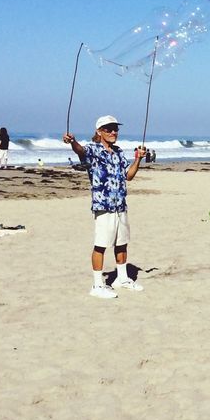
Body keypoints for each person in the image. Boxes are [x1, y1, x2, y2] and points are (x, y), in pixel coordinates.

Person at [64, 115, 144, 299]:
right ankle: (98, 285)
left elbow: (128, 176)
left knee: (122, 243)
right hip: (103, 205)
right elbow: (80, 151)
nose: (113, 132)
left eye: (115, 129)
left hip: (120, 205)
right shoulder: (93, 150)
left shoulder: (118, 152)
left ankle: (122, 279)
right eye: (108, 129)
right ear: (99, 132)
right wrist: (72, 141)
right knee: (101, 245)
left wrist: (137, 159)